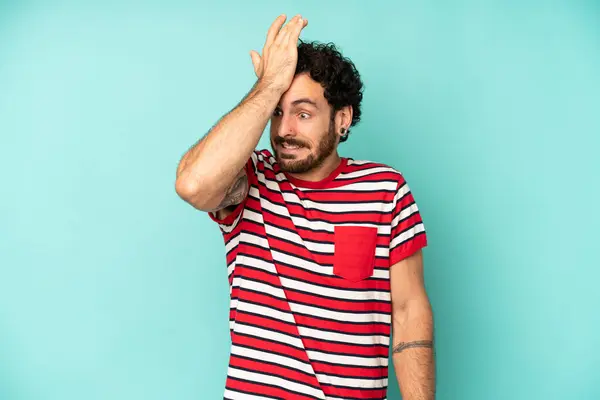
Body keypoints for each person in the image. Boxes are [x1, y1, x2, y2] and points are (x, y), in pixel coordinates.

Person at [175, 13, 435, 400]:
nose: (283, 131)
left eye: (303, 113)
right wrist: (268, 86)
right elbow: (193, 184)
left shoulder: (385, 190)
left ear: (341, 119)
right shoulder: (250, 179)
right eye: (276, 112)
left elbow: (410, 312)